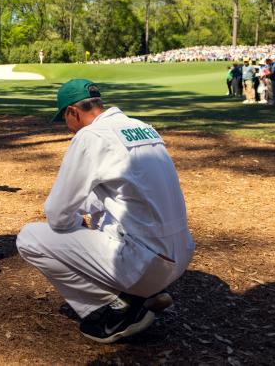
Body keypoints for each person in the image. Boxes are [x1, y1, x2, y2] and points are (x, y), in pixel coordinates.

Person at [16, 79, 194, 343]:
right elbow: (114, 194)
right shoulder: (141, 127)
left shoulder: (91, 136)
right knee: (101, 217)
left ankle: (117, 308)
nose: (68, 129)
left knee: (30, 238)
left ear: (73, 112)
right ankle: (146, 293)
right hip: (180, 254)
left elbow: (57, 214)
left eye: (65, 120)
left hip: (145, 263)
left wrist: (77, 221)